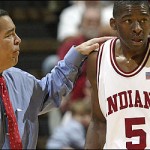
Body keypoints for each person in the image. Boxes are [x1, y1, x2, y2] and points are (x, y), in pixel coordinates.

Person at [0, 8, 112, 149]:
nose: (18, 40)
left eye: (15, 32)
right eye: (9, 35)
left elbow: (48, 92)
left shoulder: (17, 78)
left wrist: (76, 56)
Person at [85, 1, 150, 149]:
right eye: (128, 20)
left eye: (143, 20)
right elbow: (98, 123)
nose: (138, 28)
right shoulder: (97, 59)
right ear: (114, 24)